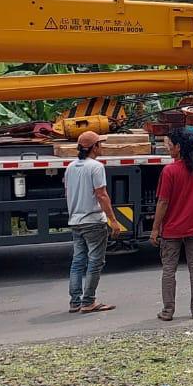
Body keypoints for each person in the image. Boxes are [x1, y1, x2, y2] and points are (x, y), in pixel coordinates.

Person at [150, 128, 193, 321]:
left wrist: (155, 229)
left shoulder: (169, 171)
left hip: (171, 230)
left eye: (169, 145)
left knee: (168, 270)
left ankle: (167, 311)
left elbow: (163, 202)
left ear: (179, 148)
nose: (167, 148)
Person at [64, 130, 123, 313]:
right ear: (94, 147)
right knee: (95, 261)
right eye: (100, 143)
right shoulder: (96, 167)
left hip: (76, 220)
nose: (102, 146)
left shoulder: (70, 167)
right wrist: (113, 220)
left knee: (78, 261)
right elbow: (102, 195)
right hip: (93, 220)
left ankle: (75, 301)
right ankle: (89, 301)